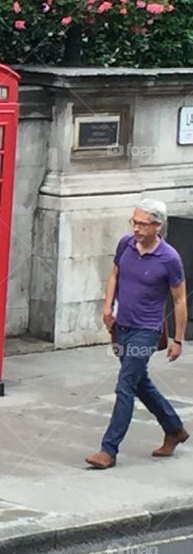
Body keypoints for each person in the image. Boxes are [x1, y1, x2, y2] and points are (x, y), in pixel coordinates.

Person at [86, 199, 188, 470]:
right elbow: (114, 275)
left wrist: (178, 339)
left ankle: (108, 450)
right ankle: (174, 428)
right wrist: (107, 307)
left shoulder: (169, 258)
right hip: (122, 326)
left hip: (147, 330)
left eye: (142, 224)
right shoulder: (126, 244)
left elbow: (179, 299)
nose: (136, 228)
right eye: (134, 221)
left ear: (157, 226)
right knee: (140, 382)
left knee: (125, 386)